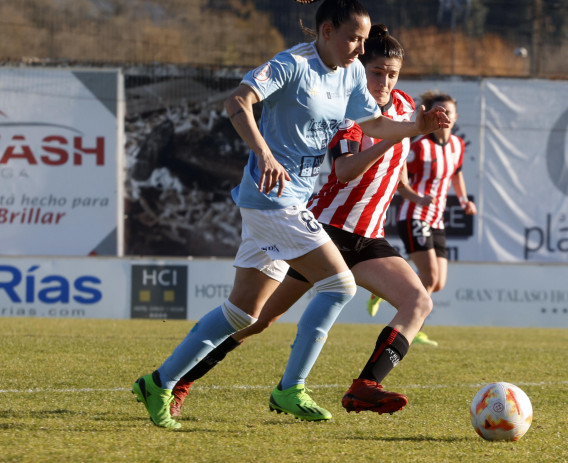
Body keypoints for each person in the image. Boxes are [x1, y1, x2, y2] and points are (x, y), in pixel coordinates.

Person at [132, 0, 449, 429]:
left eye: (363, 39)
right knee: (338, 286)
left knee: (244, 313)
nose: (360, 48)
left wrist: (417, 127)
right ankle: (290, 389)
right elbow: (238, 102)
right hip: (271, 199)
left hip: (292, 203)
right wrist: (262, 153)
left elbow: (373, 124)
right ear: (326, 31)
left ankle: (161, 381)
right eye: (353, 38)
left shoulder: (351, 73)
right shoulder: (292, 64)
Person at [366, 91, 477, 347]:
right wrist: (417, 198)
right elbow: (399, 177)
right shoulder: (419, 147)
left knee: (437, 282)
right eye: (437, 111)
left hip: (437, 219)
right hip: (414, 215)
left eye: (447, 112)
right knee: (428, 277)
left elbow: (456, 174)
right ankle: (413, 329)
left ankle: (380, 289)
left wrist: (463, 201)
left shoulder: (458, 145)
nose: (442, 116)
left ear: (455, 117)